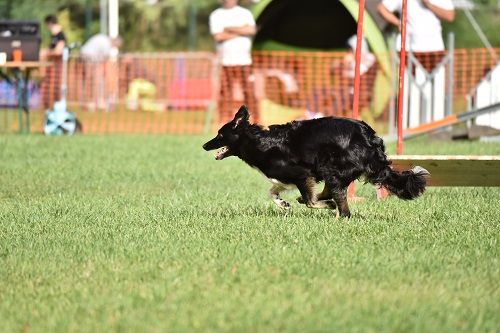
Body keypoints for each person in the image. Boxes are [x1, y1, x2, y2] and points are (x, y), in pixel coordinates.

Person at [209, 0, 259, 122]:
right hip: (225, 62)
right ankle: (224, 120)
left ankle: (255, 119)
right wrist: (241, 32)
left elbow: (252, 30)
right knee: (226, 94)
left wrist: (228, 29)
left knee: (249, 92)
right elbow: (218, 36)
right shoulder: (216, 15)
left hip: (244, 61)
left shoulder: (245, 13)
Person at [377, 0, 455, 53]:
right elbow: (381, 9)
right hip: (408, 48)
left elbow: (450, 16)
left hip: (434, 47)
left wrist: (428, 4)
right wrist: (398, 23)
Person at [80, 34, 122, 110]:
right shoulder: (106, 44)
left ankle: (94, 102)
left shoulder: (103, 38)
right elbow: (105, 61)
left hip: (86, 54)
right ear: (115, 42)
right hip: (89, 56)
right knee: (93, 80)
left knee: (93, 79)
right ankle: (93, 102)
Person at [41, 14, 66, 109]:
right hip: (52, 64)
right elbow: (51, 48)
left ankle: (56, 105)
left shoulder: (60, 35)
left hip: (57, 65)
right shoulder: (53, 35)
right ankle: (48, 106)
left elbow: (58, 51)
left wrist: (47, 53)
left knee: (56, 86)